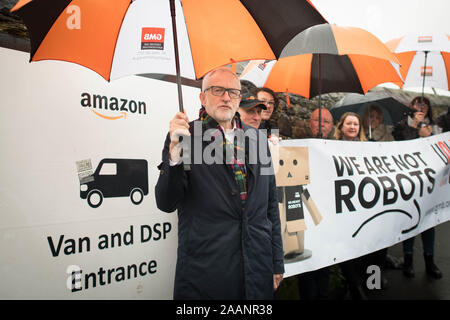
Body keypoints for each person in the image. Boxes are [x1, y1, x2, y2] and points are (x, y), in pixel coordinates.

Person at [155, 67, 284, 299]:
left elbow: (270, 205)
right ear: (203, 97)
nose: (226, 97)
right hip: (207, 275)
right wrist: (175, 153)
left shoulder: (257, 138)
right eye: (218, 90)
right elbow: (166, 202)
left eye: (233, 92)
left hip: (257, 268)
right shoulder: (186, 136)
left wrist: (276, 261)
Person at [392, 96, 442, 279]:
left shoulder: (434, 127)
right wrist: (414, 129)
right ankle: (408, 260)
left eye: (425, 104)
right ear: (411, 107)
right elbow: (401, 148)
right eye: (417, 103)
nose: (421, 107)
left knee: (429, 221)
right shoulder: (401, 125)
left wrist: (429, 136)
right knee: (410, 220)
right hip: (410, 182)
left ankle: (430, 261)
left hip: (429, 182)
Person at [296, 107, 334, 300]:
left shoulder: (339, 148)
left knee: (324, 264)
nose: (321, 125)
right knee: (306, 267)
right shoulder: (297, 145)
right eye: (317, 120)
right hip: (305, 215)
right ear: (310, 123)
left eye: (326, 121)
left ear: (332, 126)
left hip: (327, 215)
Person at [334, 112, 368, 299]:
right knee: (345, 248)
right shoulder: (330, 147)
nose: (353, 127)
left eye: (356, 123)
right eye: (349, 123)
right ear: (341, 126)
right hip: (342, 206)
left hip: (361, 206)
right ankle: (354, 286)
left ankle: (358, 284)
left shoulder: (368, 148)